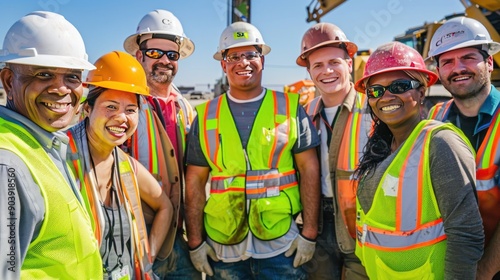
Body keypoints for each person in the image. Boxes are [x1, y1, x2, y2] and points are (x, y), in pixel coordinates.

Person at [184, 21, 321, 279]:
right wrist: (195, 242)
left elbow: (309, 168)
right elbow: (194, 181)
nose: (243, 62)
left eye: (250, 54)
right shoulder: (204, 117)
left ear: (262, 60)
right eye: (234, 56)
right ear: (223, 64)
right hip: (223, 245)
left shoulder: (290, 108)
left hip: (281, 244)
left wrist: (309, 233)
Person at [353, 41, 484, 279]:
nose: (386, 96)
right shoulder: (382, 145)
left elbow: (466, 234)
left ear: (422, 91)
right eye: (376, 90)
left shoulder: (440, 143)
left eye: (399, 86)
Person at [0, 11, 102, 279]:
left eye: (72, 77)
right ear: (9, 81)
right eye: (44, 74)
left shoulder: (44, 143)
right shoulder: (7, 163)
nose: (61, 89)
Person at [66, 50, 173, 279]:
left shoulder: (126, 166)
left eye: (131, 110)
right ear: (87, 109)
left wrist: (147, 259)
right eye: (111, 107)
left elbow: (165, 206)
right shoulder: (59, 157)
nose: (122, 118)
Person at [122, 9, 198, 279]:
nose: (164, 60)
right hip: (135, 238)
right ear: (139, 55)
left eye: (172, 55)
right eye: (155, 53)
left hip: (179, 235)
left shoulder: (187, 110)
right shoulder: (123, 106)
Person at [426, 16, 500, 279]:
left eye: (468, 57)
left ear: (489, 62)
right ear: (438, 71)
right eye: (447, 61)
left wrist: (483, 271)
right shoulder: (434, 118)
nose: (458, 68)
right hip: (448, 261)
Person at [296, 22, 370, 279]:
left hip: (362, 223)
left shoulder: (373, 109)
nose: (326, 71)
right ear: (309, 72)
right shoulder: (305, 113)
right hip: (318, 222)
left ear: (349, 64)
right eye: (317, 65)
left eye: (334, 62)